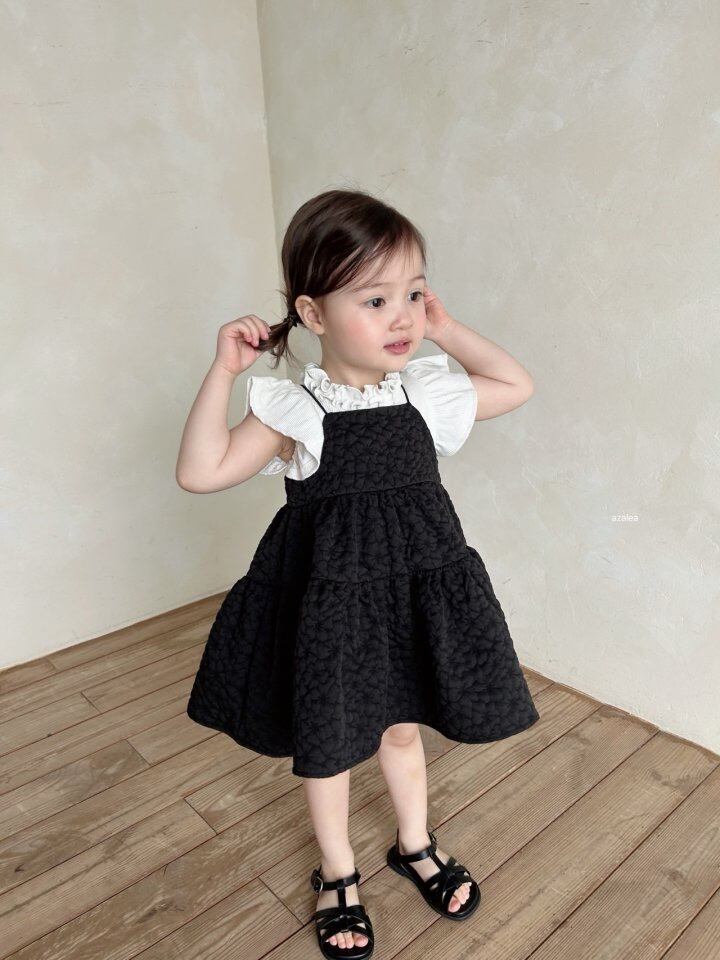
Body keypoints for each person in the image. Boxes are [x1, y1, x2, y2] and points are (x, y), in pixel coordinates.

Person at [176, 188, 540, 959]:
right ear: (313, 314)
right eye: (375, 300)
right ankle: (338, 872)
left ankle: (414, 843)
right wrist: (222, 372)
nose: (402, 316)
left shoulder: (425, 394)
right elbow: (201, 472)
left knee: (402, 726)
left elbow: (515, 385)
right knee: (334, 739)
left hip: (409, 597)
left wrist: (447, 328)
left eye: (413, 294)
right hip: (333, 609)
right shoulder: (295, 411)